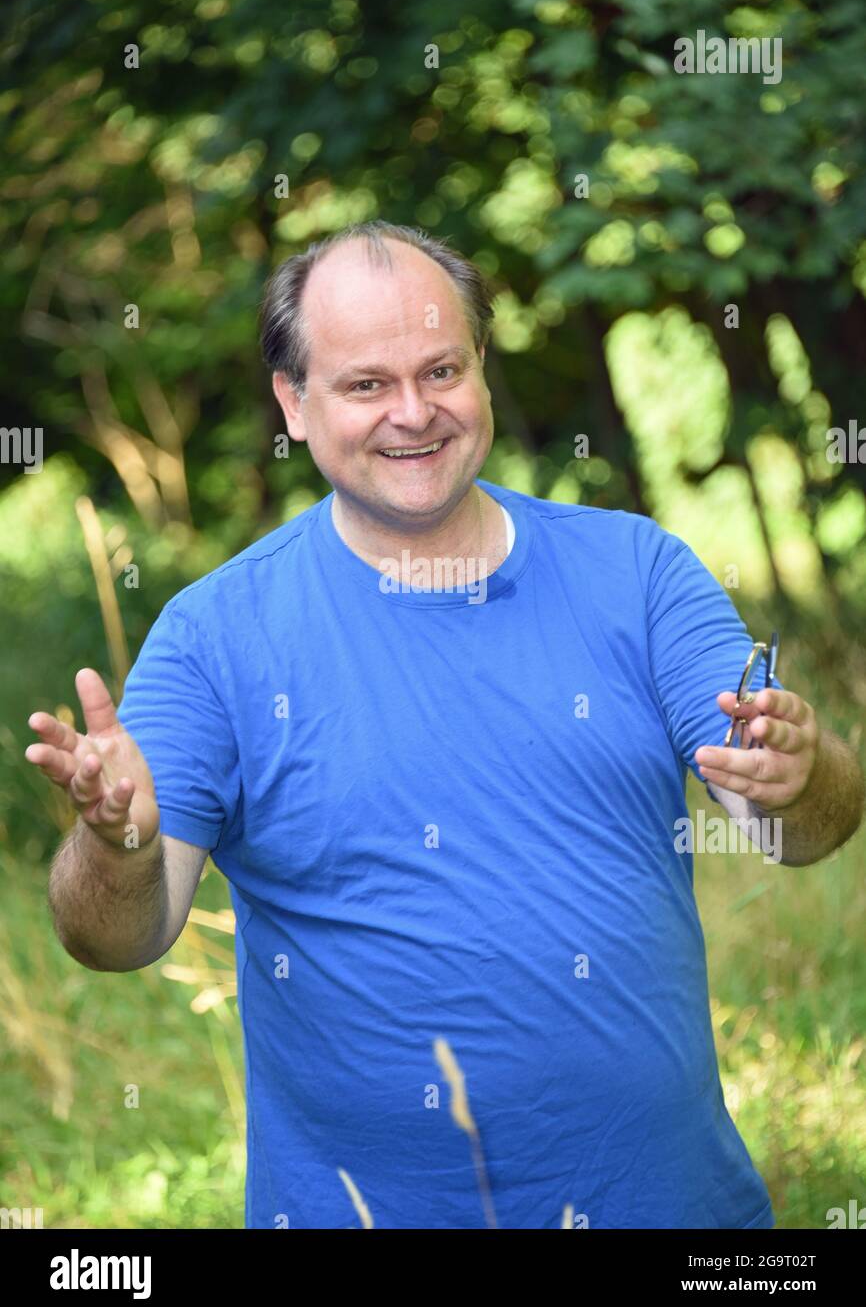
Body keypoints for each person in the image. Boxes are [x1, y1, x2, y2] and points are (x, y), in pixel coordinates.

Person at [26, 221, 864, 1229]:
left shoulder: (637, 572)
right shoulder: (216, 637)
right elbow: (116, 937)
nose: (414, 413)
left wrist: (801, 770)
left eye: (440, 370)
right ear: (294, 403)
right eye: (366, 384)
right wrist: (117, 844)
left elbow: (799, 829)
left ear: (480, 369)